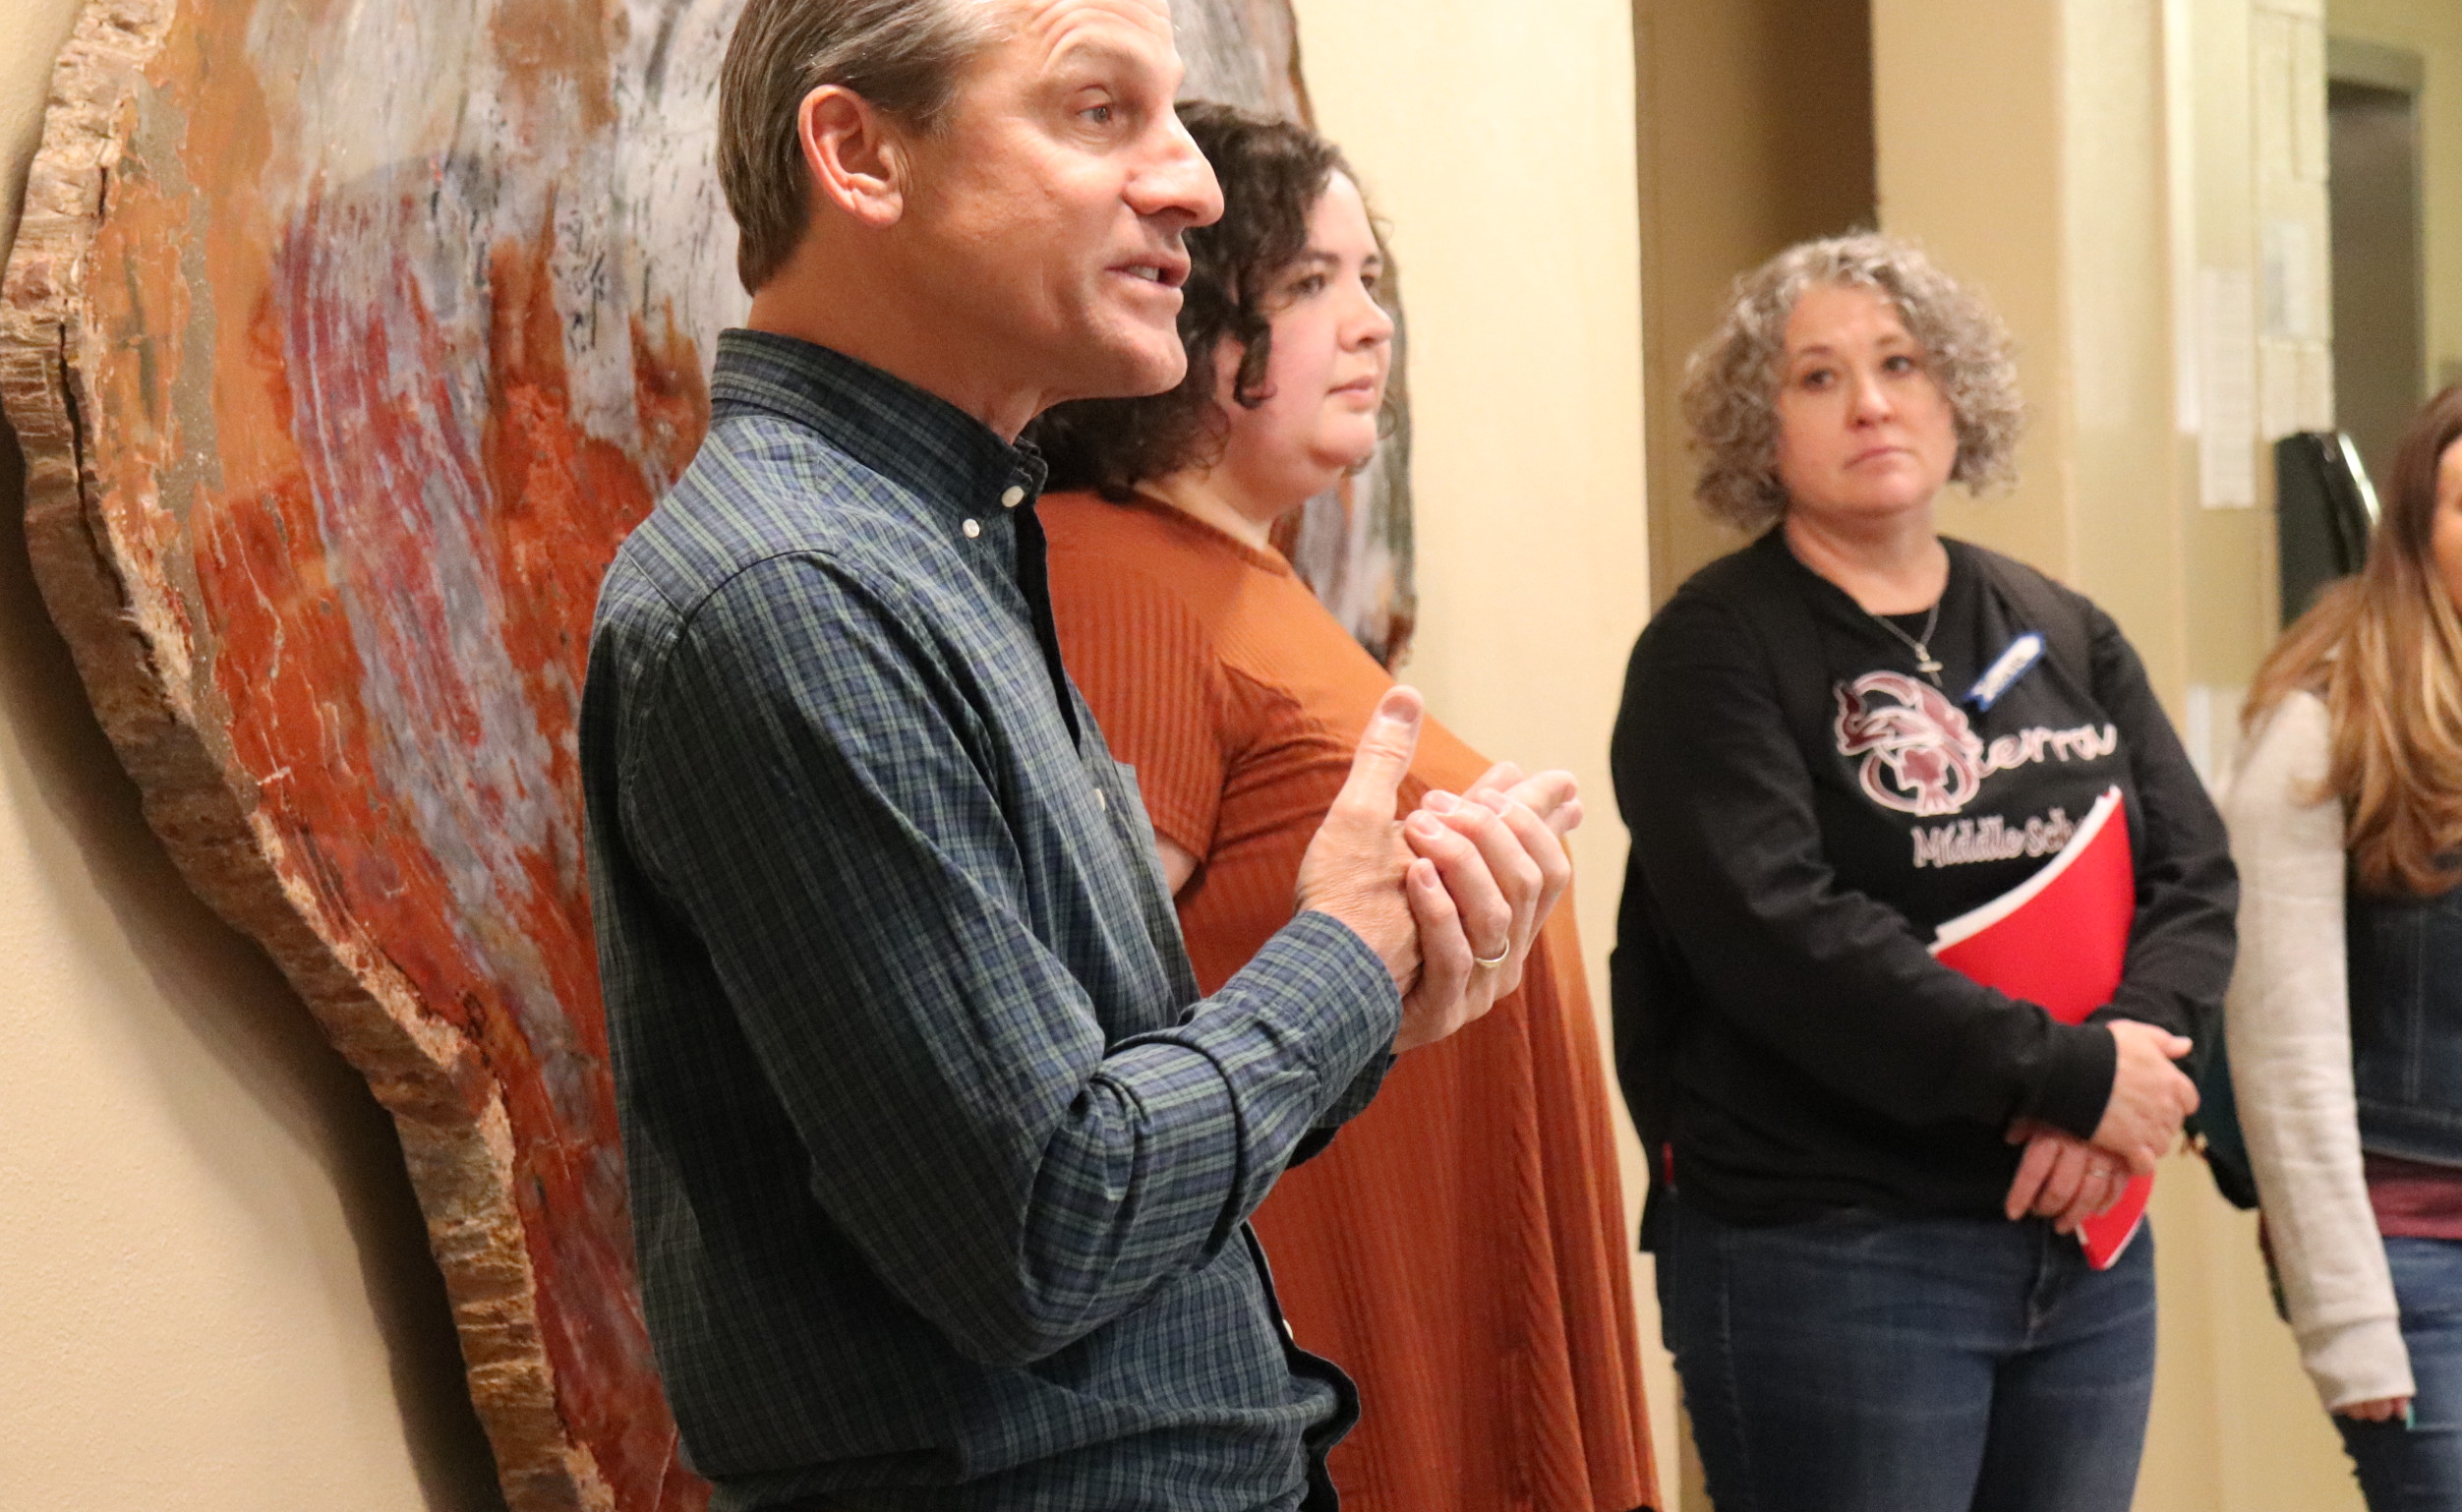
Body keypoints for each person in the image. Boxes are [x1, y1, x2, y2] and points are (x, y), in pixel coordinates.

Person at [579, 0, 1571, 1511]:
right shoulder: (793, 591)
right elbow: (1044, 1228)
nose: (1191, 183)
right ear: (859, 154)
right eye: (1100, 110)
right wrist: (1343, 958)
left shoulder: (947, 541)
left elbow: (1100, 1132)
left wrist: (1380, 981)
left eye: (1170, 116)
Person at [1026, 103, 1656, 1511]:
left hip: (1433, 1270)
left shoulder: (1242, 577)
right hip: (1333, 1304)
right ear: (1191, 310)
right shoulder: (1112, 574)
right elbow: (1095, 1013)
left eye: (1371, 279)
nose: (1371, 324)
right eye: (1312, 281)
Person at [1609, 232, 2237, 1512]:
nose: (1872, 403)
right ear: (1760, 428)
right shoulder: (1711, 654)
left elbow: (2195, 872)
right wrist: (2071, 1079)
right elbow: (1785, 938)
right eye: (1818, 377)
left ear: (1958, 393)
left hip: (2082, 1240)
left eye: (1901, 363)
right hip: (1838, 1253)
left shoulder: (2061, 628)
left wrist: (2126, 1067)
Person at [2228, 381, 2462, 1507]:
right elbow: (2285, 1051)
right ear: (2415, 530)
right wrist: (2348, 1320)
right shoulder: (2324, 725)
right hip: (2416, 1264)